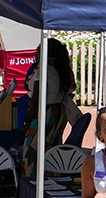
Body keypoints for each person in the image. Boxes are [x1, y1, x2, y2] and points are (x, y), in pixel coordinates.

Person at [22, 37, 76, 176]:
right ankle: (50, 181)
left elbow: (37, 97)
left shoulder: (44, 69)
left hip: (45, 114)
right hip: (58, 113)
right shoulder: (61, 69)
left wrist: (27, 120)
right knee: (51, 149)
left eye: (38, 50)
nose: (35, 53)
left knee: (33, 152)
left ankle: (32, 185)